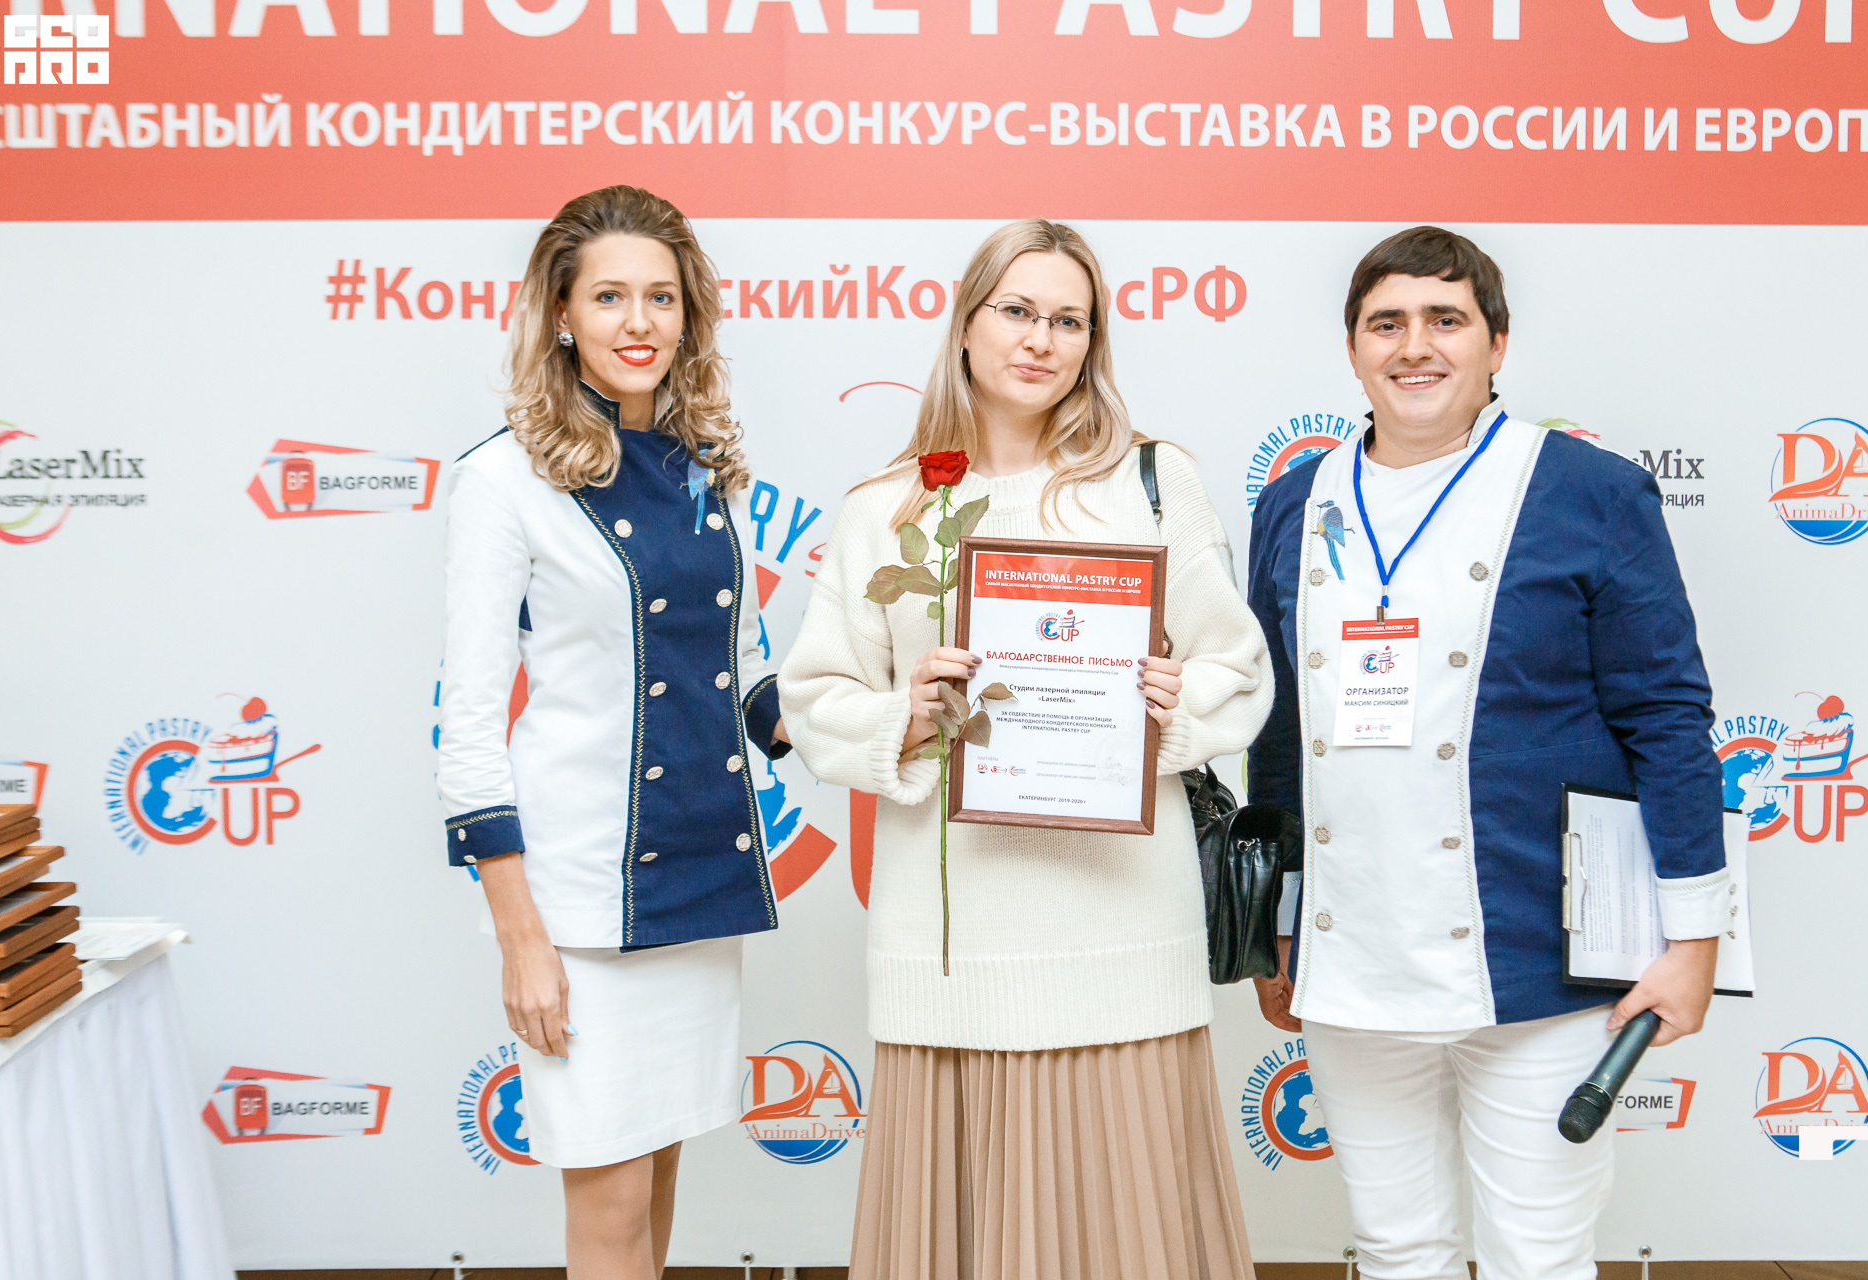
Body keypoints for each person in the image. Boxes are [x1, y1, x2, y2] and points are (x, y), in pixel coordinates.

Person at [780, 218, 1271, 1280]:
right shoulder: (886, 507)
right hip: (952, 951)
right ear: (966, 324)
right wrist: (908, 714)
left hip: (1123, 938)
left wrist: (1172, 711)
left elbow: (1238, 666)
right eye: (1017, 311)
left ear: (1093, 342)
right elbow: (815, 701)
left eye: (1069, 320)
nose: (1041, 340)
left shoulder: (1151, 482)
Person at [1246, 226, 1727, 1280]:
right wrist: (1276, 921)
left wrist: (1694, 937)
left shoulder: (1591, 491)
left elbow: (1666, 715)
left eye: (1446, 319)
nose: (1415, 346)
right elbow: (1277, 739)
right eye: (1387, 323)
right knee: (1395, 1247)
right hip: (1352, 953)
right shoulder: (1293, 503)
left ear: (1496, 344)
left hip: (1541, 955)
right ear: (1353, 349)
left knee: (1537, 1255)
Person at [437, 185, 789, 1280]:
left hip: (701, 871)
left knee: (661, 1170)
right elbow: (468, 725)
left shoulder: (702, 466)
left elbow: (747, 671)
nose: (639, 322)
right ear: (560, 312)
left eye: (661, 297)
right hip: (583, 900)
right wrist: (521, 938)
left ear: (689, 316)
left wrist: (877, 714)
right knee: (611, 1197)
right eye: (609, 297)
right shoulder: (502, 479)